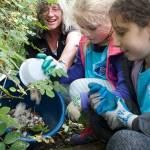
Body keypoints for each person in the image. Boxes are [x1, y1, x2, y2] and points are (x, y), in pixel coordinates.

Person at [66, 0, 133, 145]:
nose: (86, 33)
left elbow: (126, 92)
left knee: (77, 88)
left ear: (112, 20)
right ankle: (93, 130)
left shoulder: (119, 48)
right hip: (95, 94)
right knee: (71, 87)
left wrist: (82, 99)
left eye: (92, 27)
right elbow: (76, 72)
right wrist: (57, 74)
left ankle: (107, 132)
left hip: (116, 101)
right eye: (81, 27)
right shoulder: (85, 43)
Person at [88, 0, 150, 149]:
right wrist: (117, 104)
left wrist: (127, 118)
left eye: (121, 32)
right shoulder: (134, 64)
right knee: (99, 108)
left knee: (125, 141)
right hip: (142, 126)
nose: (114, 41)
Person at [25, 0, 81, 71]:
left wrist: (61, 66)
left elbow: (74, 43)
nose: (50, 14)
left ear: (63, 12)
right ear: (40, 14)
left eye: (55, 9)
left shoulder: (71, 28)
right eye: (45, 9)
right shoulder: (34, 36)